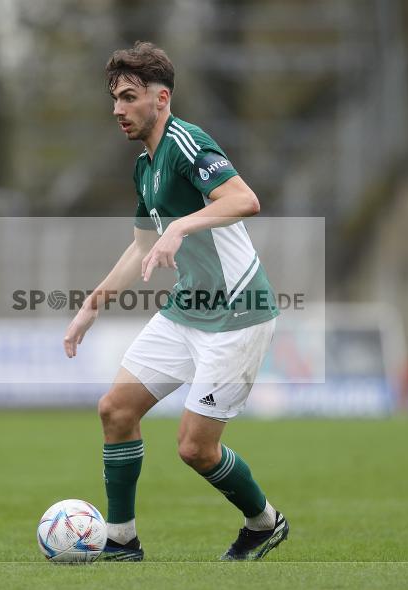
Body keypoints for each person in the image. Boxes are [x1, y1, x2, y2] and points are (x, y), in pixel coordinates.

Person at [63, 42, 287, 562]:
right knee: (115, 410)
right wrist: (92, 305)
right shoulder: (145, 167)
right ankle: (121, 541)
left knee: (195, 449)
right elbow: (142, 245)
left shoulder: (187, 143)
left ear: (161, 98)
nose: (118, 109)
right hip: (189, 309)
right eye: (114, 99)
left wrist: (182, 226)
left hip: (238, 314)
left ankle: (264, 522)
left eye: (129, 97)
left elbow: (245, 199)